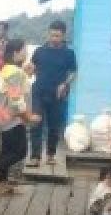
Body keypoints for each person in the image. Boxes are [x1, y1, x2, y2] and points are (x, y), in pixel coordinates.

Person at [0, 39, 40, 194]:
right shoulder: (14, 72)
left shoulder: (7, 69)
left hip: (1, 115)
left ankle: (1, 183)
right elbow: (16, 99)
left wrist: (25, 74)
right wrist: (28, 117)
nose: (27, 53)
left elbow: (13, 89)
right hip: (12, 117)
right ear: (16, 52)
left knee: (6, 151)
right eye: (24, 50)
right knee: (20, 151)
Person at [26, 20, 76, 167]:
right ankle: (35, 156)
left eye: (58, 36)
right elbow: (32, 68)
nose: (54, 38)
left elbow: (73, 72)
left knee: (54, 126)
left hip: (58, 94)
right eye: (52, 35)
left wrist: (65, 84)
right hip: (39, 92)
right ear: (48, 33)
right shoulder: (39, 51)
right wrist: (29, 69)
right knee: (36, 124)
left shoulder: (69, 53)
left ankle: (50, 155)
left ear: (63, 35)